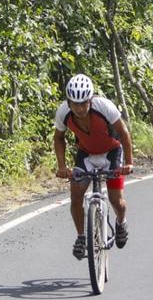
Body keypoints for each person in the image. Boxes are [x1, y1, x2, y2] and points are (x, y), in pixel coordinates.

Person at [54, 74, 134, 260]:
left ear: (90, 100)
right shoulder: (63, 113)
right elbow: (58, 138)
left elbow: (123, 133)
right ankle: (81, 237)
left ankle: (121, 222)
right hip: (86, 154)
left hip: (112, 152)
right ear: (69, 102)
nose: (80, 108)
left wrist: (128, 163)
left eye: (84, 103)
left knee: (117, 201)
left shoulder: (104, 107)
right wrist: (62, 166)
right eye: (75, 104)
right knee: (76, 195)